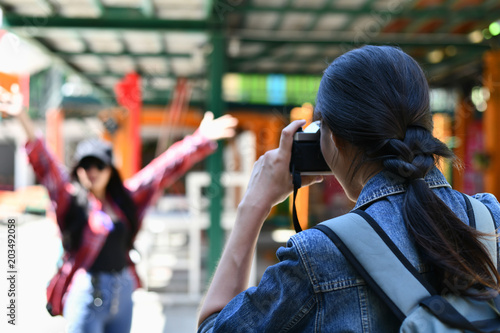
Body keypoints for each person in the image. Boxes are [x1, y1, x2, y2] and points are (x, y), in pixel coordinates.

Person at [197, 45, 500, 332]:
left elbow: (214, 327)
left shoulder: (317, 256)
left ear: (332, 139)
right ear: (426, 126)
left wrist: (254, 205)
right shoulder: (489, 218)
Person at [1, 102, 237, 333]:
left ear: (110, 170)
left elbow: (162, 170)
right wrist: (22, 116)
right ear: (78, 170)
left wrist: (200, 138)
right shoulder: (71, 199)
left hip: (123, 290)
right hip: (86, 292)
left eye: (98, 165)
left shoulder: (125, 199)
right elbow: (45, 163)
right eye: (86, 165)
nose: (91, 171)